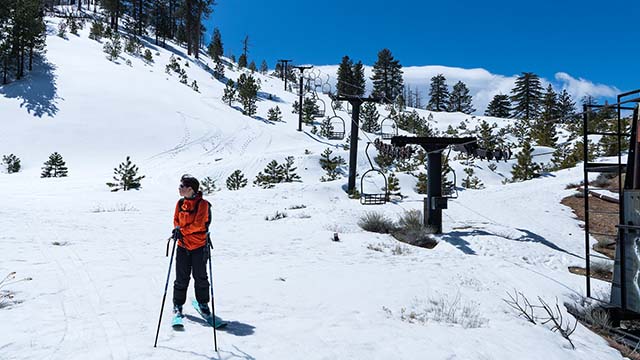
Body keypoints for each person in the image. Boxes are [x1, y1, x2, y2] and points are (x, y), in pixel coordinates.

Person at [172, 174, 212, 320]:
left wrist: (181, 231)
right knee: (181, 278)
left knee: (200, 277)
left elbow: (199, 224)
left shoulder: (203, 205)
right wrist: (177, 229)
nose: (179, 188)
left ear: (190, 189)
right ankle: (177, 304)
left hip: (199, 246)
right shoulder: (179, 203)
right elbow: (176, 220)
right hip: (182, 246)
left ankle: (203, 303)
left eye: (182, 186)